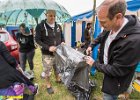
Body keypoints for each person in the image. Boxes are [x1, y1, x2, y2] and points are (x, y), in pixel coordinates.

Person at [86, 0, 140, 99]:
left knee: (108, 95)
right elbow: (101, 36)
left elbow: (117, 70)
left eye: (103, 22)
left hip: (117, 79)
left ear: (118, 17)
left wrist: (94, 64)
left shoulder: (133, 41)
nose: (101, 26)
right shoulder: (111, 26)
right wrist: (91, 45)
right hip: (106, 69)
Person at [35, 10, 64, 94]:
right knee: (47, 70)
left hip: (58, 52)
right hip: (47, 54)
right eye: (50, 15)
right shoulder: (40, 26)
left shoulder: (58, 26)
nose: (53, 17)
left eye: (54, 16)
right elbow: (37, 40)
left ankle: (58, 79)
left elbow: (61, 36)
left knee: (57, 67)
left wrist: (63, 41)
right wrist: (48, 48)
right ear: (46, 15)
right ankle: (48, 85)